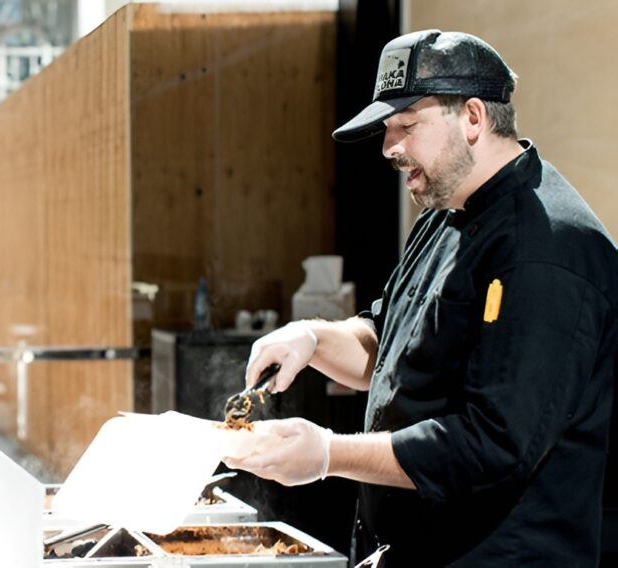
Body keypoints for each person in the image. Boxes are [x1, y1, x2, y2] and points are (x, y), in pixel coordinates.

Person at [223, 29, 618, 566]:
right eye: (388, 130)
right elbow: (391, 342)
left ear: (473, 117)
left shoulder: (547, 250)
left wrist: (326, 454)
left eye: (407, 126)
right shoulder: (445, 212)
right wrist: (314, 338)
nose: (390, 149)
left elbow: (492, 446)